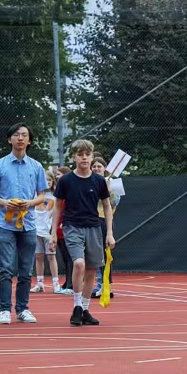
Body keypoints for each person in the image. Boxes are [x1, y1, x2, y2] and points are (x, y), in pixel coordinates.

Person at [0, 123, 50, 324]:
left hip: (29, 224)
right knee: (5, 268)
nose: (20, 138)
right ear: (9, 139)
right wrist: (4, 203)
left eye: (24, 135)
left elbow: (42, 196)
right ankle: (4, 309)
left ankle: (23, 309)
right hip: (5, 225)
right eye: (16, 135)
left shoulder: (36, 166)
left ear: (29, 140)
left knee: (26, 269)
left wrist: (30, 203)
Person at [51, 139, 113, 325]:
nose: (84, 157)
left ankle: (85, 310)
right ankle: (77, 306)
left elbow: (107, 206)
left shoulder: (99, 181)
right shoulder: (67, 181)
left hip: (94, 227)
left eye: (87, 154)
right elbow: (57, 207)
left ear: (92, 156)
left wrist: (109, 233)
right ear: (74, 157)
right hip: (72, 227)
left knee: (92, 270)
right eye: (80, 154)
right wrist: (53, 232)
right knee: (79, 264)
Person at [89, 154, 123, 299]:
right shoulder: (88, 182)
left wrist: (107, 191)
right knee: (93, 255)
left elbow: (114, 204)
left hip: (104, 222)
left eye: (99, 166)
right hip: (90, 221)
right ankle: (100, 284)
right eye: (94, 166)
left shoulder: (113, 184)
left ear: (105, 168)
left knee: (104, 255)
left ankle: (104, 286)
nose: (96, 168)